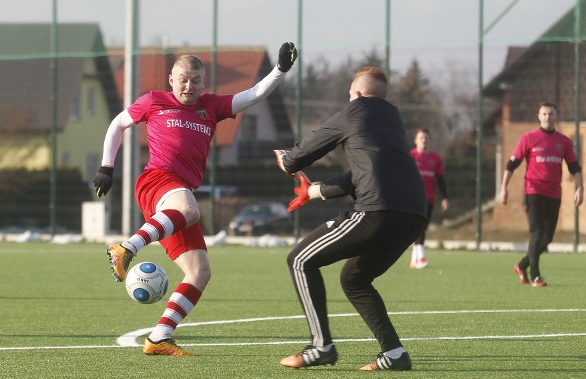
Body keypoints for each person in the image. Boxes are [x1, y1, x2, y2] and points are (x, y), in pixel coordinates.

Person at [93, 42, 297, 356]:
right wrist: (107, 167)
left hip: (180, 190)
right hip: (157, 180)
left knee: (199, 271)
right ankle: (126, 247)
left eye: (196, 80)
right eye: (183, 79)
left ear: (204, 83)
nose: (189, 85)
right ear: (171, 80)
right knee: (189, 209)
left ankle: (159, 337)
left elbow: (255, 94)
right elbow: (118, 123)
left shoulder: (211, 106)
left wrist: (280, 70)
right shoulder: (154, 101)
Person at [273, 66, 427, 371]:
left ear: (356, 94)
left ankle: (321, 347)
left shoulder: (354, 110)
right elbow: (361, 175)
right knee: (354, 279)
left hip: (376, 211)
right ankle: (394, 354)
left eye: (350, 95)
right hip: (413, 216)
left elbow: (298, 157)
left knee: (300, 260)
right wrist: (314, 191)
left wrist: (286, 160)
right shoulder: (392, 121)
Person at [499, 101, 583, 288]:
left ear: (556, 116)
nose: (548, 117)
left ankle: (522, 265)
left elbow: (574, 167)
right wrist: (504, 187)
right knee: (537, 233)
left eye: (551, 114)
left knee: (547, 238)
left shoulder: (564, 141)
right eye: (544, 114)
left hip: (554, 193)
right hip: (533, 191)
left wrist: (580, 188)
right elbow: (511, 165)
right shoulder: (528, 138)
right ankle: (535, 275)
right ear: (539, 116)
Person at [409, 128, 449, 269]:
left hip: (429, 199)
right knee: (419, 227)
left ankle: (414, 259)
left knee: (421, 227)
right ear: (415, 141)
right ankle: (421, 258)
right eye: (421, 138)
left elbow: (440, 180)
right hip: (413, 199)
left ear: (430, 141)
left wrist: (445, 198)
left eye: (426, 138)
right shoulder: (410, 156)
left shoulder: (435, 159)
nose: (424, 140)